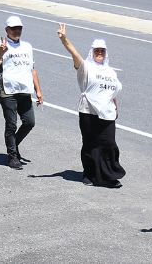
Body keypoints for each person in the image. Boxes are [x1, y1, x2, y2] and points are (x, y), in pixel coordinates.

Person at [57, 24, 125, 188]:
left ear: (105, 53)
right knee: (90, 144)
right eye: (97, 51)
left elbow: (111, 91)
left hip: (107, 112)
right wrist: (64, 39)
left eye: (102, 51)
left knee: (109, 144)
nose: (99, 53)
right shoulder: (86, 67)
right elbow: (75, 54)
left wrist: (116, 106)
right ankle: (88, 173)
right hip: (88, 111)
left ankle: (110, 176)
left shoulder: (110, 71)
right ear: (92, 52)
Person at [0, 15, 44, 170]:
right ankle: (13, 156)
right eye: (13, 28)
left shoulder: (27, 47)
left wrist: (38, 91)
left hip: (24, 90)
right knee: (11, 124)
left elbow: (32, 70)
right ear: (7, 30)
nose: (17, 31)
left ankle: (13, 145)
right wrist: (1, 53)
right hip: (7, 91)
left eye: (19, 28)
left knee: (29, 122)